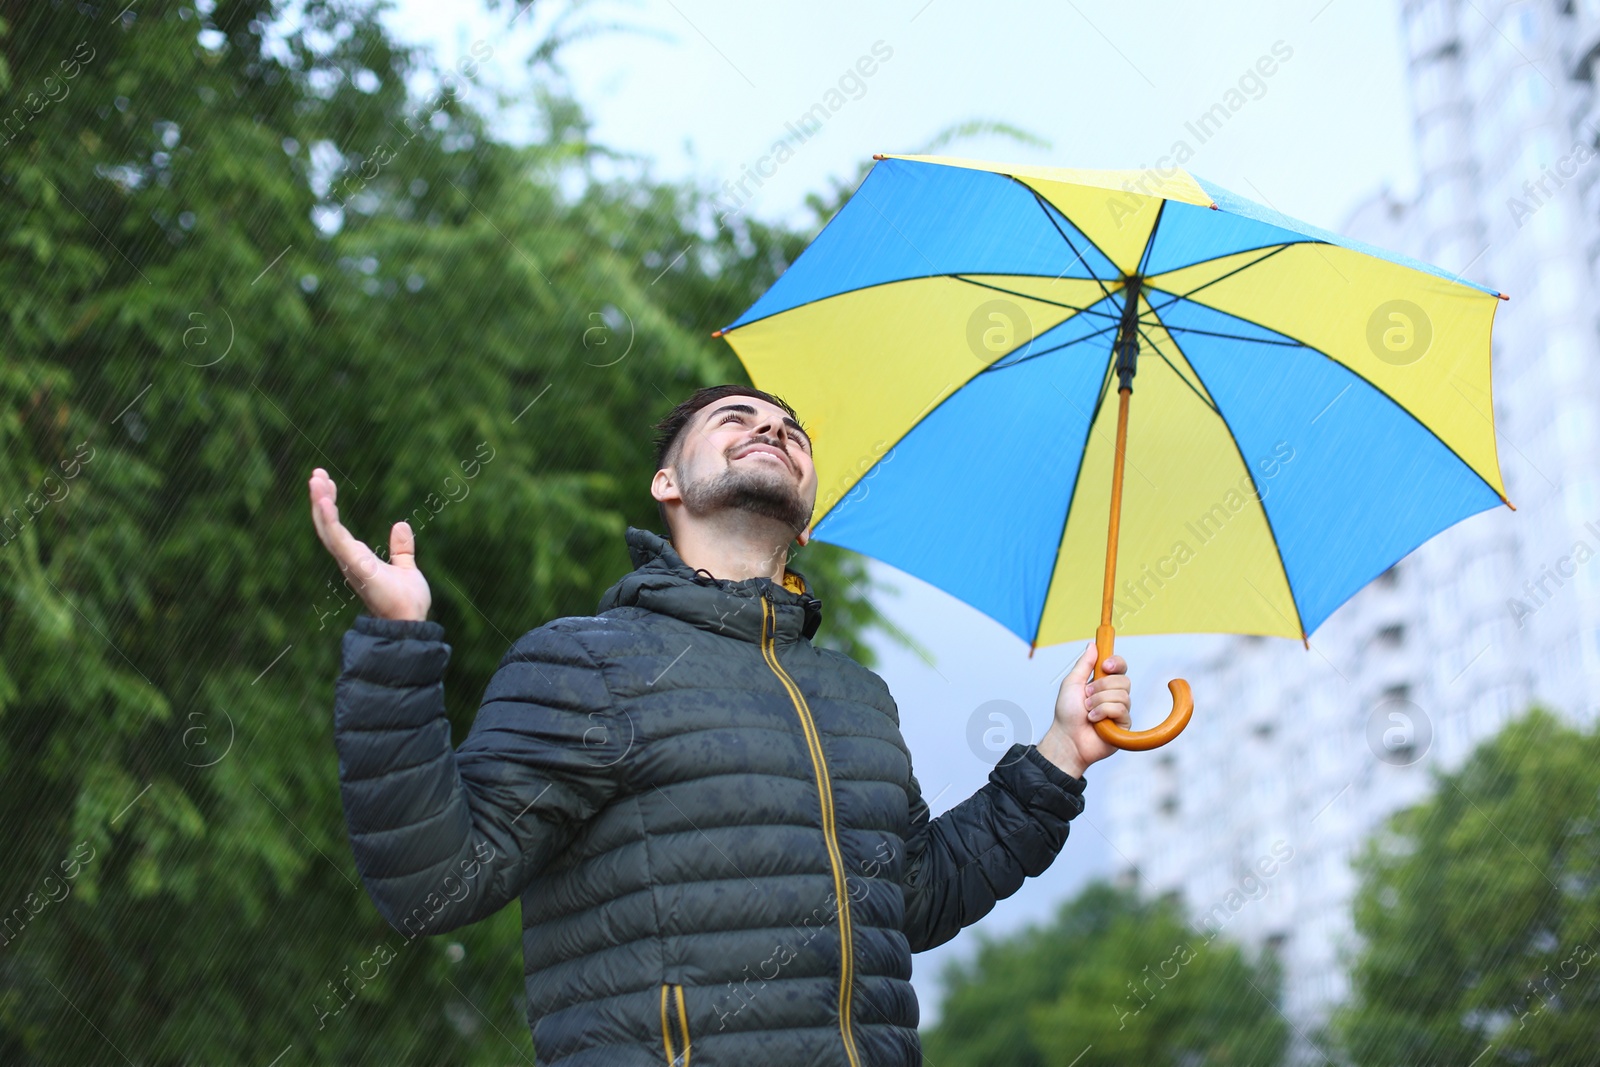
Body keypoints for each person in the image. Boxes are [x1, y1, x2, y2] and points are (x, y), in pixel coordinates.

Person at [309, 384, 1133, 1066]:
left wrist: (1063, 752)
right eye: (736, 420)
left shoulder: (856, 697)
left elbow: (915, 899)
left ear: (808, 516)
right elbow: (432, 883)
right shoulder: (586, 662)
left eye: (792, 432)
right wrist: (397, 645)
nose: (773, 428)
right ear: (668, 485)